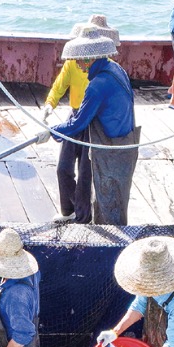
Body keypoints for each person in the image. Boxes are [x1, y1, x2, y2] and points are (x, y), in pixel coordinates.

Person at [49, 34, 140, 225]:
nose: (78, 66)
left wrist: (50, 132)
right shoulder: (116, 69)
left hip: (110, 146)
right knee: (116, 196)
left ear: (89, 60)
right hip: (126, 139)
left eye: (80, 62)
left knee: (107, 199)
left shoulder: (97, 86)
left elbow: (78, 123)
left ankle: (108, 239)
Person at [44, 15, 120, 223]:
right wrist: (50, 104)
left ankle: (83, 217)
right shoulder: (72, 65)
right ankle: (68, 210)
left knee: (86, 174)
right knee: (63, 168)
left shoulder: (107, 68)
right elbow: (59, 87)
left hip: (94, 122)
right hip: (75, 116)